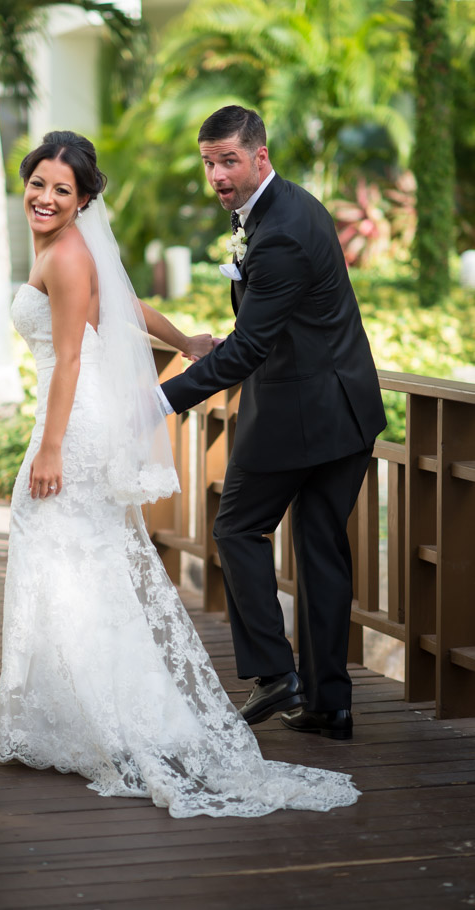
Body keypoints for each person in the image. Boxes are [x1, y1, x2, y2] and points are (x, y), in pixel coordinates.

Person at [0, 129, 360, 817]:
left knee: (80, 557)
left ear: (84, 198)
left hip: (80, 423)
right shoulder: (78, 248)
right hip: (104, 417)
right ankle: (89, 709)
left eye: (60, 189)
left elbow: (70, 358)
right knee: (88, 563)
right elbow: (120, 304)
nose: (44, 196)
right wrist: (185, 339)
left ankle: (123, 713)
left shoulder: (66, 255)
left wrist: (51, 448)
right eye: (38, 183)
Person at [160, 106, 387, 741]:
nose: (217, 174)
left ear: (259, 156)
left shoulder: (279, 229)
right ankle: (327, 705)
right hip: (344, 409)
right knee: (320, 552)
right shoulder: (287, 206)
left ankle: (273, 675)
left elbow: (249, 348)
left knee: (236, 529)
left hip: (303, 414)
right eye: (208, 162)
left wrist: (161, 400)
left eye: (228, 160)